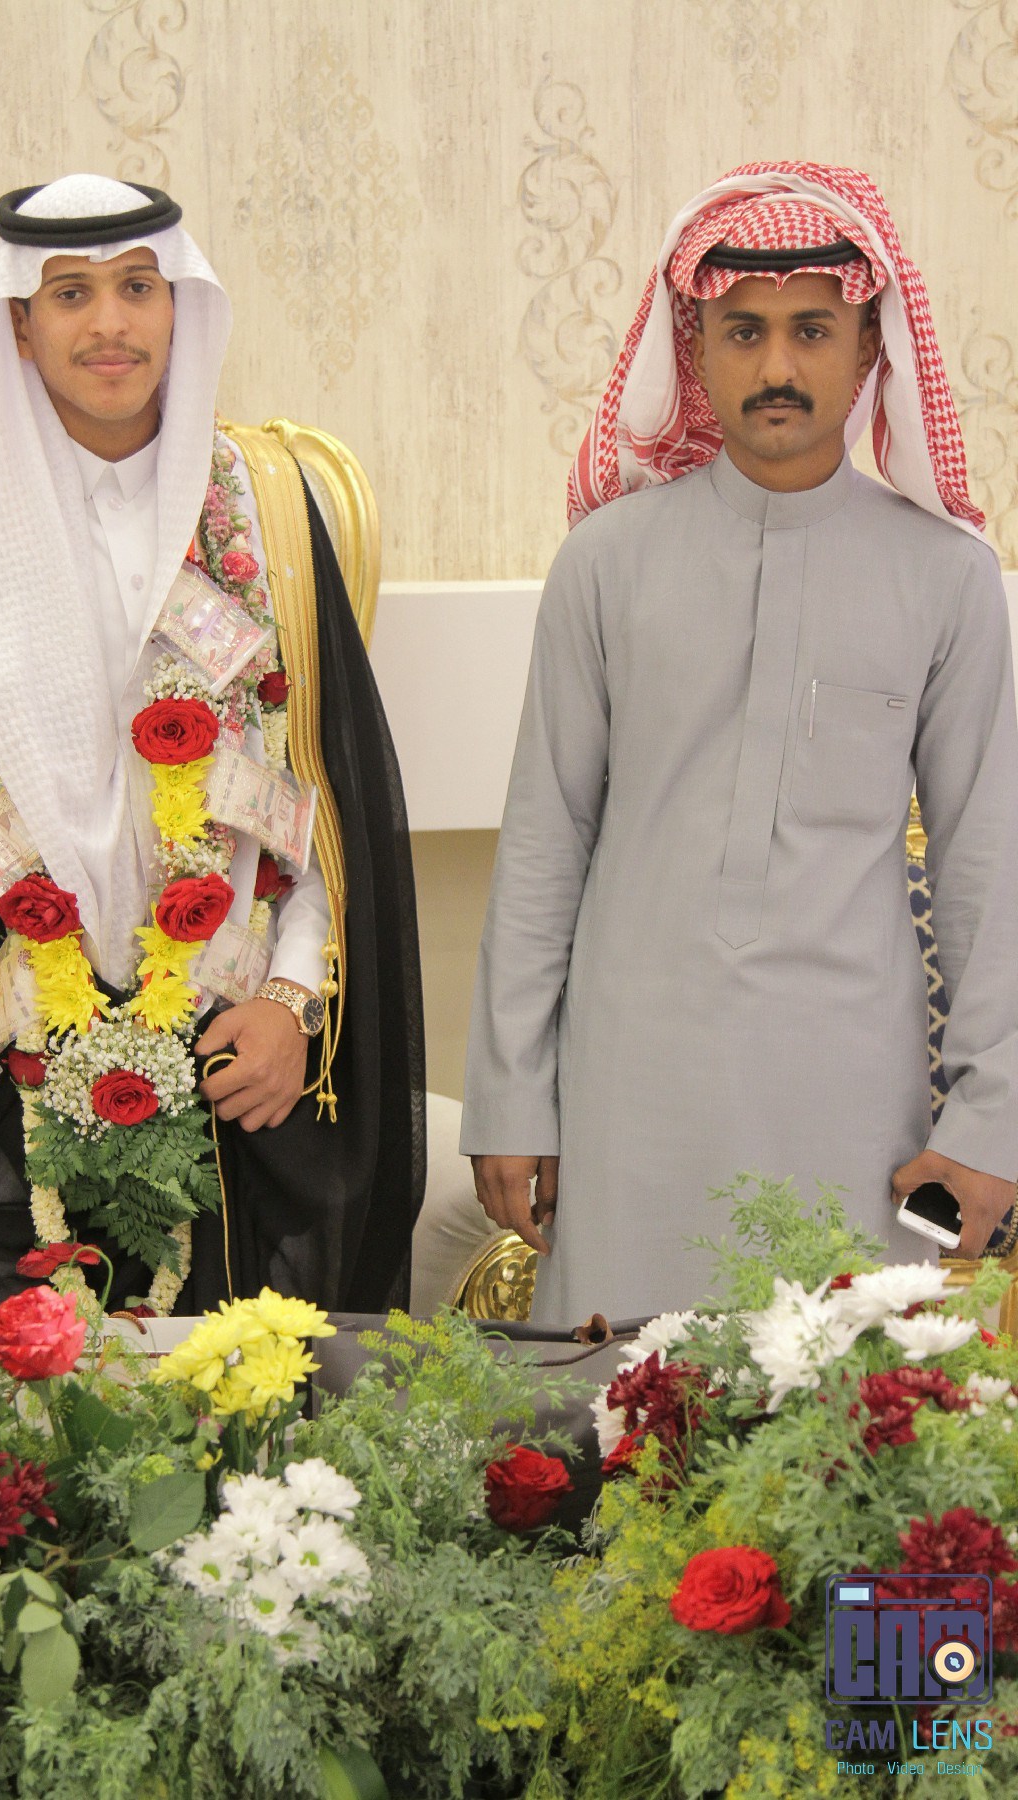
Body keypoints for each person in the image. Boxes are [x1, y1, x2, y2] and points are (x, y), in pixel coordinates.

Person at [0, 174, 424, 1313]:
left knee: (239, 1402)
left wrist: (293, 1001)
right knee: (18, 1405)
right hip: (0, 1074)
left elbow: (322, 792)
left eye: (139, 287)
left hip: (231, 1064)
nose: (110, 324)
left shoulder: (263, 505)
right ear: (19, 324)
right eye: (71, 293)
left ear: (179, 305)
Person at [461, 161, 1018, 1324]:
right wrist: (511, 1096)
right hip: (630, 1083)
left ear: (866, 350)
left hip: (851, 1098)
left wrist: (991, 1120)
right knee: (613, 1403)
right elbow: (546, 839)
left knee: (833, 1406)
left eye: (813, 330)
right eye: (744, 332)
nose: (777, 368)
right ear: (696, 350)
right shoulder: (605, 564)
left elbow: (988, 865)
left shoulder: (949, 578)